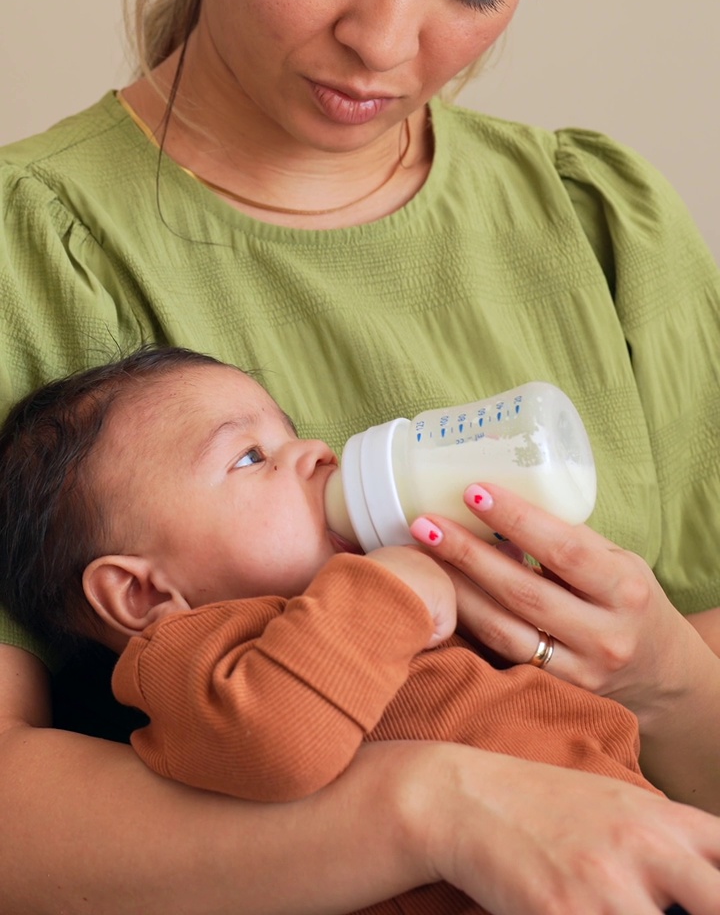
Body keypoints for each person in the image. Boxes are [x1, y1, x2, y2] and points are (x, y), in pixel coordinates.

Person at [0, 0, 718, 912]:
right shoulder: (33, 252)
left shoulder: (604, 230)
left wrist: (665, 672)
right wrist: (431, 804)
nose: (385, 43)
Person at [0, 346, 663, 831]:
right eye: (250, 458)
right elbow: (278, 747)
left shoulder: (364, 594)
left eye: (290, 433)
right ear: (143, 596)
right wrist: (392, 590)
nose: (317, 451)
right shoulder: (197, 656)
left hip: (638, 832)